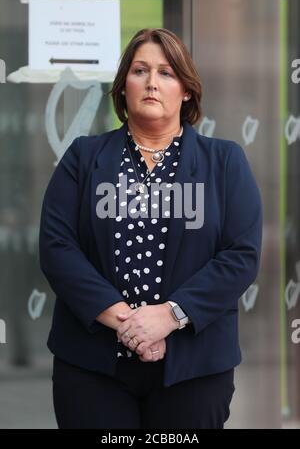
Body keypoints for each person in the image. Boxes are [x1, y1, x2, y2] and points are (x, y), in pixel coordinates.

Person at [39, 28, 263, 429]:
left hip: (194, 366)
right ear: (124, 86)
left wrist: (168, 316)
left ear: (187, 90)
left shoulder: (225, 162)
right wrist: (128, 323)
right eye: (140, 70)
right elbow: (58, 248)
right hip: (92, 366)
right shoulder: (83, 157)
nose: (152, 83)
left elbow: (240, 256)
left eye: (167, 73)